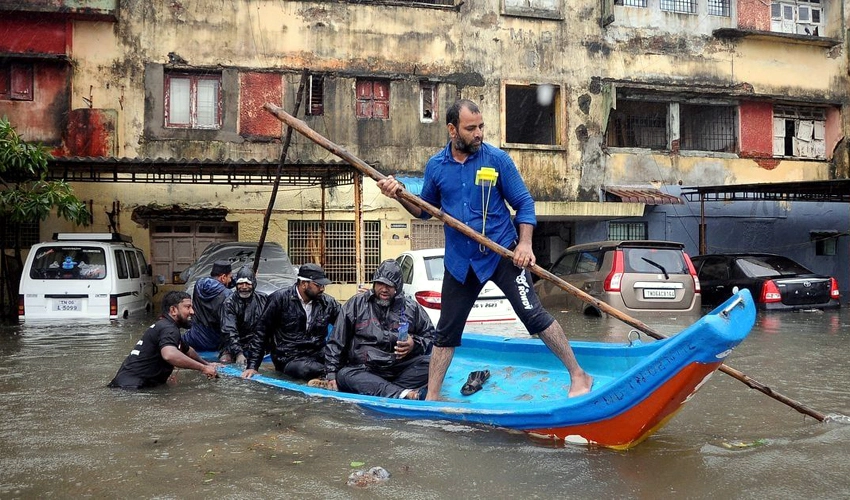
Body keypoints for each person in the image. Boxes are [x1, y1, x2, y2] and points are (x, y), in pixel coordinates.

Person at [377, 99, 593, 401]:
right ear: (453, 130)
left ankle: (579, 375)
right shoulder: (436, 166)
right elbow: (423, 210)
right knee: (446, 332)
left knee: (534, 316)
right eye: (470, 128)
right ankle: (433, 397)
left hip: (502, 254)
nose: (478, 133)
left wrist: (525, 244)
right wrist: (398, 193)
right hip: (460, 263)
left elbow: (524, 204)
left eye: (481, 127)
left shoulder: (497, 160)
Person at [323, 259, 434, 400]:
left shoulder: (412, 308)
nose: (384, 289)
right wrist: (331, 373)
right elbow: (336, 341)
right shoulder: (356, 304)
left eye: (389, 285)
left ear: (398, 287)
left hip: (398, 369)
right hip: (365, 369)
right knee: (344, 375)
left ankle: (386, 389)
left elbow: (432, 339)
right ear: (374, 283)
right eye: (380, 283)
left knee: (432, 364)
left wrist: (414, 344)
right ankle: (400, 392)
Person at [241, 263, 340, 381]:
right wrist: (252, 366)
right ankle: (327, 376)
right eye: (318, 285)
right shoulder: (279, 299)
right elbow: (262, 332)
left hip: (318, 354)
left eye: (323, 286)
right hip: (289, 358)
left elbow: (346, 324)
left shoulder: (327, 302)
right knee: (307, 370)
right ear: (304, 284)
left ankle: (327, 376)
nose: (322, 289)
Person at [108, 291, 218, 389]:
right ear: (173, 310)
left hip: (126, 386)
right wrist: (203, 368)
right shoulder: (168, 328)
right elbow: (169, 355)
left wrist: (207, 364)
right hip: (132, 389)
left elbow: (187, 350)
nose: (192, 312)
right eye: (187, 307)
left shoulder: (165, 326)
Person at [182, 260, 233, 358]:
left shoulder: (199, 284)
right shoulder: (228, 295)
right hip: (214, 342)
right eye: (230, 277)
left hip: (194, 338)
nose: (231, 280)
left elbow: (220, 285)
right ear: (223, 277)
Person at [219, 265, 268, 365]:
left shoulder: (263, 299)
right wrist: (238, 353)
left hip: (257, 343)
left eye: (247, 283)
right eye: (241, 283)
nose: (244, 287)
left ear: (253, 284)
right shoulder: (229, 303)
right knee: (225, 360)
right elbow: (229, 331)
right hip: (234, 344)